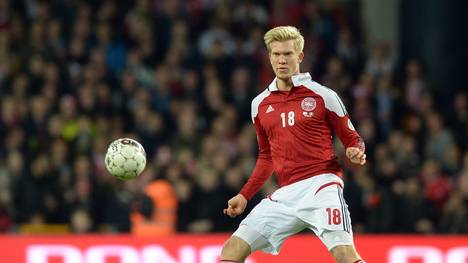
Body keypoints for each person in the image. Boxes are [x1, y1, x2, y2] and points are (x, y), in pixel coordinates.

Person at [220, 26, 367, 263]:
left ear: (299, 56)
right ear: (269, 57)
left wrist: (356, 152)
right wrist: (245, 195)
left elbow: (353, 139)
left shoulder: (323, 96)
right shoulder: (259, 104)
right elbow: (267, 156)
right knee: (232, 250)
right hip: (286, 194)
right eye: (276, 54)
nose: (281, 60)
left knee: (344, 254)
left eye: (287, 54)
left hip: (322, 186)